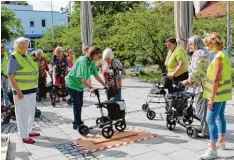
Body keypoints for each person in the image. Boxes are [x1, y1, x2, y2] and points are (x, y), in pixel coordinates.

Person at [200, 33, 232, 159]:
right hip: (224, 93)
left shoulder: (218, 57)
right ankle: (221, 141)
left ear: (213, 43)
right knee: (220, 117)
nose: (207, 46)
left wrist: (212, 99)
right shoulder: (225, 55)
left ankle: (212, 149)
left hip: (217, 95)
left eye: (208, 43)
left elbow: (216, 79)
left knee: (211, 119)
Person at [7, 37, 40, 144]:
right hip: (21, 91)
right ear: (16, 46)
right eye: (22, 47)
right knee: (22, 114)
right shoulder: (13, 58)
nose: (25, 49)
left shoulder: (27, 55)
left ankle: (29, 130)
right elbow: (10, 75)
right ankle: (24, 135)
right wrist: (18, 91)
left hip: (31, 89)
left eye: (26, 46)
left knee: (31, 112)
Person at [65, 46, 107, 129]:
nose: (99, 57)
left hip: (79, 85)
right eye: (98, 55)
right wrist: (90, 87)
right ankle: (77, 123)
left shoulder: (91, 62)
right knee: (76, 104)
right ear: (94, 54)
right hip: (72, 83)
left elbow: (96, 75)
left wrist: (105, 85)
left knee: (80, 103)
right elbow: (82, 78)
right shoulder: (83, 61)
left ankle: (76, 121)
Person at [181, 35, 213, 138]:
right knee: (205, 109)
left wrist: (187, 81)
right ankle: (205, 127)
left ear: (196, 44)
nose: (189, 46)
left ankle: (206, 132)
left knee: (201, 109)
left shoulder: (198, 53)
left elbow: (196, 72)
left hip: (202, 86)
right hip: (208, 84)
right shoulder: (207, 52)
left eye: (191, 44)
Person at [1, 44, 11, 108]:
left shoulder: (7, 55)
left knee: (5, 89)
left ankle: (6, 103)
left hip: (5, 74)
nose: (2, 49)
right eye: (1, 48)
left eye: (3, 48)